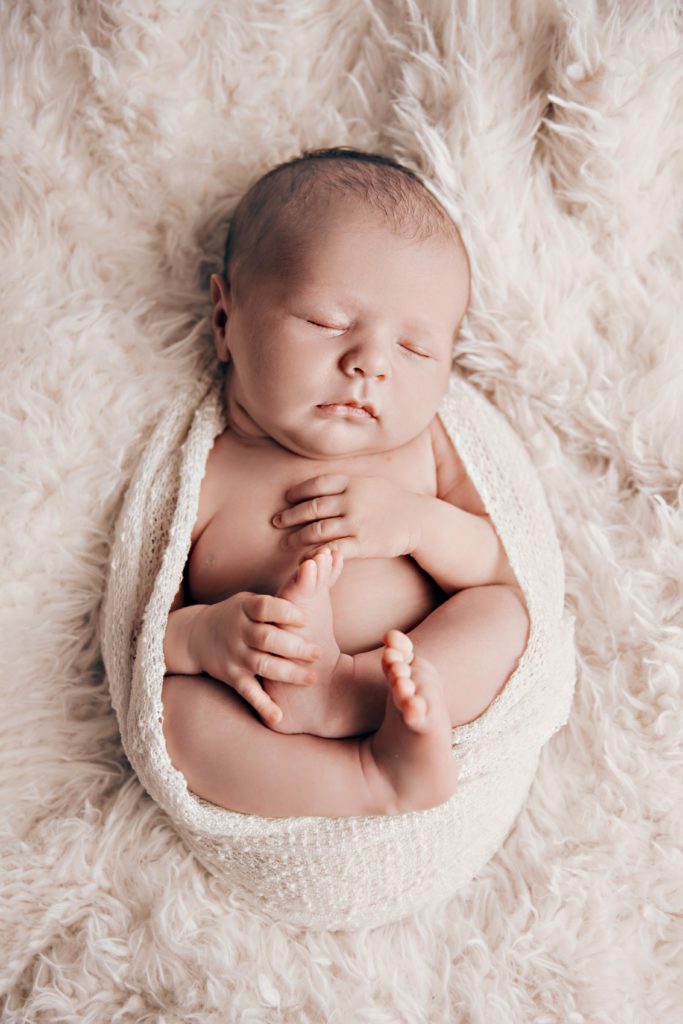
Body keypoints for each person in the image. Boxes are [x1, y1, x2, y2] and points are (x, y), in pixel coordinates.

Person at [161, 149, 530, 819]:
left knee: (503, 616)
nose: (368, 364)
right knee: (174, 716)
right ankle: (369, 781)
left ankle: (353, 697)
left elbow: (499, 565)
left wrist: (417, 522)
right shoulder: (206, 471)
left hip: (410, 681)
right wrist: (202, 638)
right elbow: (145, 629)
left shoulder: (427, 446)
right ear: (225, 322)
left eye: (415, 349)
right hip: (273, 702)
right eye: (327, 322)